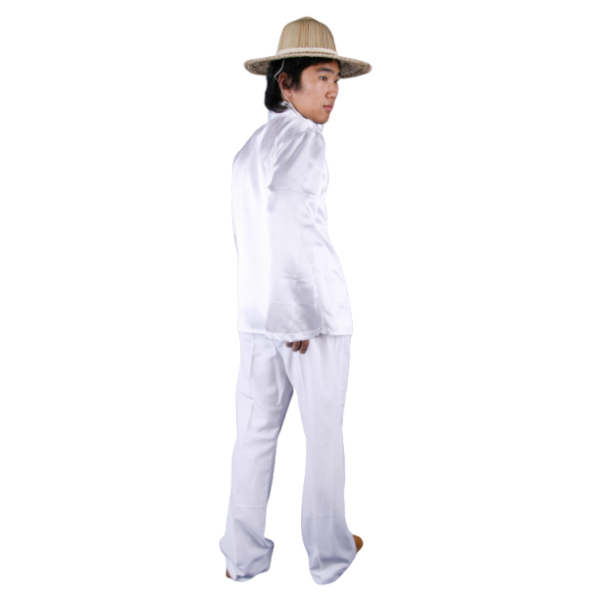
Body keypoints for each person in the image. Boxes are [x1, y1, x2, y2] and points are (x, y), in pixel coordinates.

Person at [219, 15, 372, 586]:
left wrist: (273, 315)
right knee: (324, 436)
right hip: (309, 318)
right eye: (321, 77)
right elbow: (286, 222)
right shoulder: (303, 141)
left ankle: (242, 556)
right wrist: (297, 317)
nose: (333, 91)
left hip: (257, 316)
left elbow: (250, 239)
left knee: (256, 435)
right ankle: (330, 557)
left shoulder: (251, 148)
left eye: (336, 79)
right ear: (285, 82)